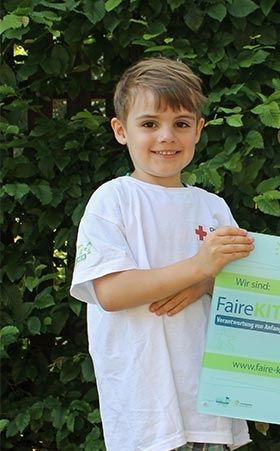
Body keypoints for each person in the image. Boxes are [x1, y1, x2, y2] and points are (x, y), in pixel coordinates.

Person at [70, 57, 255, 451]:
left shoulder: (214, 208)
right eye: (150, 123)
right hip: (145, 413)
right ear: (121, 130)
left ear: (198, 131)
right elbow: (110, 292)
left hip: (210, 407)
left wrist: (206, 281)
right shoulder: (112, 200)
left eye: (182, 124)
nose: (167, 136)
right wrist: (197, 267)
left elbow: (244, 295)